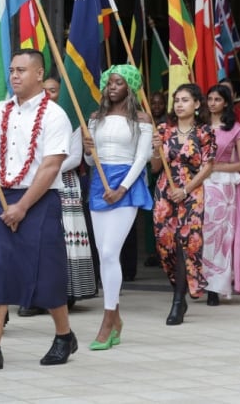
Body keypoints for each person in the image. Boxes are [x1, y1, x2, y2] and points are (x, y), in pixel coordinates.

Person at [0, 50, 77, 374]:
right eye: (12, 70)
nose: (14, 76)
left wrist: (23, 206)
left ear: (39, 74)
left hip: (39, 198)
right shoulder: (1, 109)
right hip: (1, 195)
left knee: (46, 270)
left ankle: (64, 335)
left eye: (21, 70)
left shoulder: (55, 115)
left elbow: (51, 166)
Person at [83, 65, 153, 349]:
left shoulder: (142, 118)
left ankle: (107, 319)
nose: (112, 87)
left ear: (130, 87)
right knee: (104, 255)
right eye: (109, 82)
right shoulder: (94, 117)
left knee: (111, 251)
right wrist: (88, 152)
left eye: (118, 83)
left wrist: (122, 188)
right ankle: (116, 319)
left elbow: (141, 158)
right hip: (99, 183)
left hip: (126, 184)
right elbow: (89, 162)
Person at [151, 83, 215, 326]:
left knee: (185, 243)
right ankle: (180, 288)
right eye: (176, 100)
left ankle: (178, 300)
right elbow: (156, 168)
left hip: (191, 190)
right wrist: (156, 149)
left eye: (185, 100)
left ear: (197, 104)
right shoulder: (163, 130)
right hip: (165, 190)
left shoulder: (204, 132)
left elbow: (208, 166)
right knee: (165, 243)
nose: (179, 104)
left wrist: (186, 189)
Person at [46, 76, 97, 307]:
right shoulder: (34, 119)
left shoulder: (72, 120)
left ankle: (69, 292)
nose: (49, 95)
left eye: (54, 91)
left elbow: (75, 157)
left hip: (64, 184)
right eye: (44, 90)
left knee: (67, 240)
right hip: (37, 185)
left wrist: (45, 169)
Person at [203, 84, 240, 306]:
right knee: (202, 236)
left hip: (223, 187)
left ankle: (218, 287)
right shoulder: (199, 127)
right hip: (200, 185)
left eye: (217, 99)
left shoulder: (235, 128)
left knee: (221, 238)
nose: (212, 103)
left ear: (226, 103)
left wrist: (216, 168)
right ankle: (202, 283)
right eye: (210, 99)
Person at [143, 91, 168, 267]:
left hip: (165, 172)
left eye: (160, 103)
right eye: (154, 103)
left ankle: (164, 250)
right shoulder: (145, 122)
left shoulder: (169, 123)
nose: (157, 106)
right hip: (148, 172)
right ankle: (151, 252)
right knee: (149, 214)